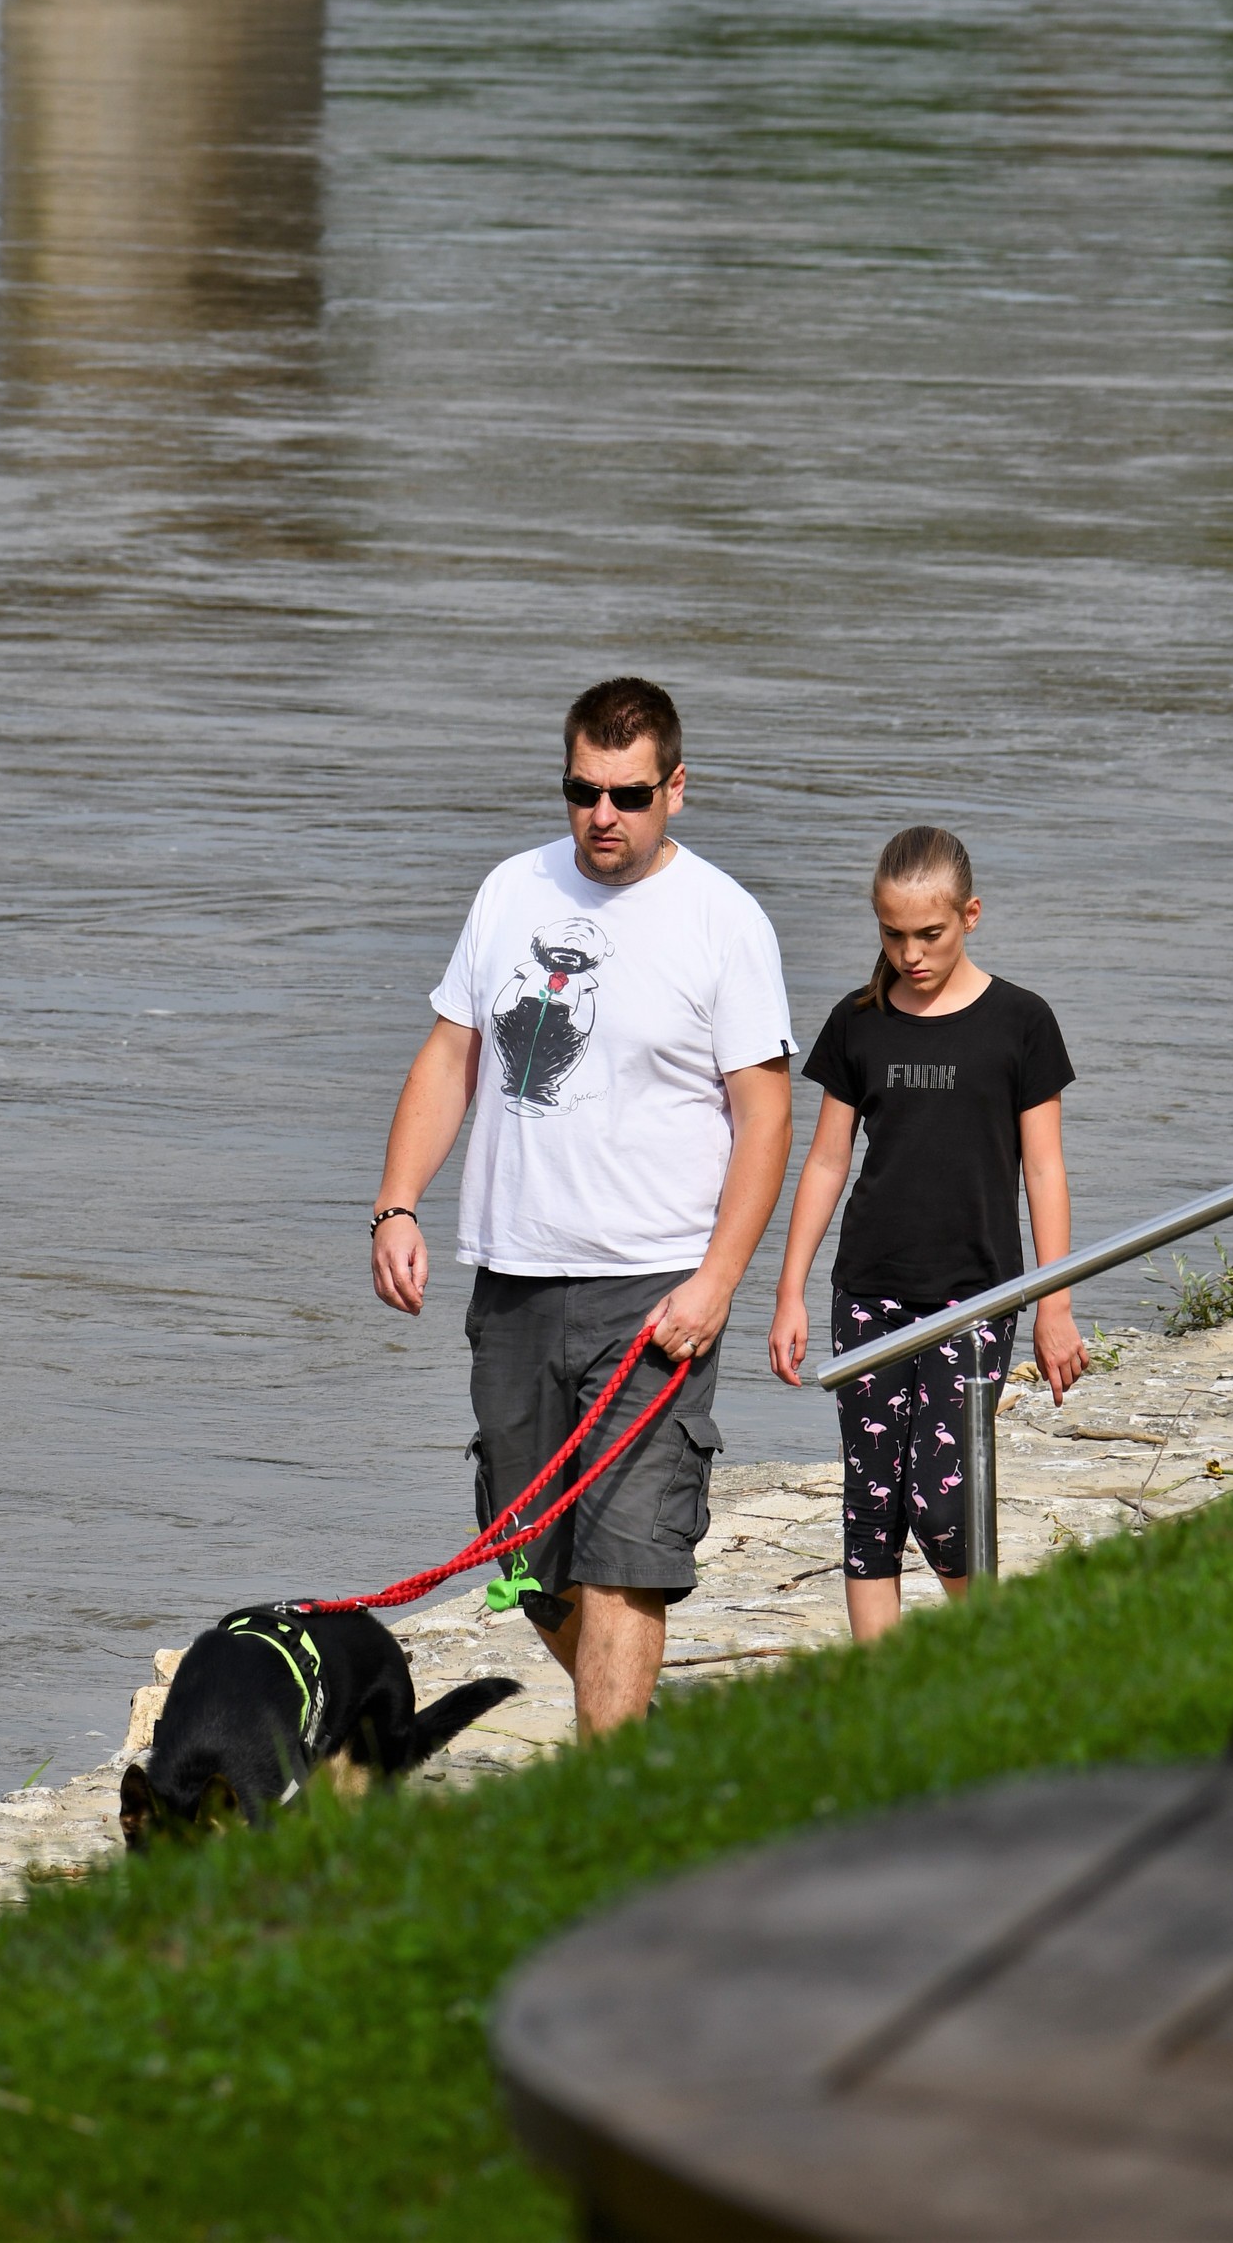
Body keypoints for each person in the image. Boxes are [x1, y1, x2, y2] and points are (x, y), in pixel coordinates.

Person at [370, 677, 794, 1740]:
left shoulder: (724, 922)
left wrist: (716, 1282)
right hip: (512, 1278)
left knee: (625, 1559)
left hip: (654, 1289)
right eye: (584, 790)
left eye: (631, 794)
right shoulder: (512, 890)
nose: (605, 814)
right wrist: (396, 1206)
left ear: (677, 789)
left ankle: (608, 1801)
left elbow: (767, 1119)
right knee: (524, 1554)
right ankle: (639, 1731)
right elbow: (450, 1054)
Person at [768, 825, 1089, 1643]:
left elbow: (1044, 1172)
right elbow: (827, 1162)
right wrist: (789, 1291)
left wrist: (1055, 1307)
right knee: (870, 1505)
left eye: (930, 934)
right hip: (867, 1292)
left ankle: (987, 1665)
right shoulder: (858, 1021)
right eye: (893, 934)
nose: (910, 953)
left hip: (978, 1297)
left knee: (945, 1507)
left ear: (971, 915)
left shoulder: (1022, 1022)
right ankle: (885, 1706)